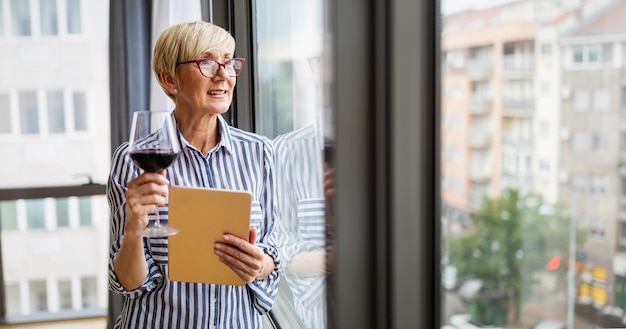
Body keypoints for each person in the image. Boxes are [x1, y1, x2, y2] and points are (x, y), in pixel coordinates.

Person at [106, 21, 280, 329]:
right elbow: (128, 284)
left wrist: (260, 264)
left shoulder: (261, 153)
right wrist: (134, 227)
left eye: (229, 63)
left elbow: (273, 252)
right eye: (207, 62)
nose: (224, 75)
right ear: (169, 78)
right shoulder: (131, 160)